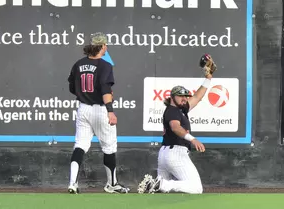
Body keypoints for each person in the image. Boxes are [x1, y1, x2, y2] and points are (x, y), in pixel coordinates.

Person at [137, 55, 216, 194]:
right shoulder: (172, 111)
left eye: (186, 96)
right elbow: (175, 127)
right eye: (181, 96)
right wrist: (193, 139)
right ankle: (162, 184)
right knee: (196, 188)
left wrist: (208, 78)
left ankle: (159, 184)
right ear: (172, 98)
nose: (184, 98)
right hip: (176, 154)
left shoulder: (181, 109)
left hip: (164, 154)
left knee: (160, 193)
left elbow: (197, 97)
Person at [67, 32, 129, 194]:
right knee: (109, 147)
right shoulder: (105, 65)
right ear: (101, 47)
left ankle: (72, 183)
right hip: (100, 109)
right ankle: (111, 184)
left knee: (80, 145)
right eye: (105, 45)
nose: (106, 47)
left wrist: (83, 94)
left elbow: (72, 87)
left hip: (83, 108)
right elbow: (105, 89)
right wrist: (110, 111)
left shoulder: (78, 64)